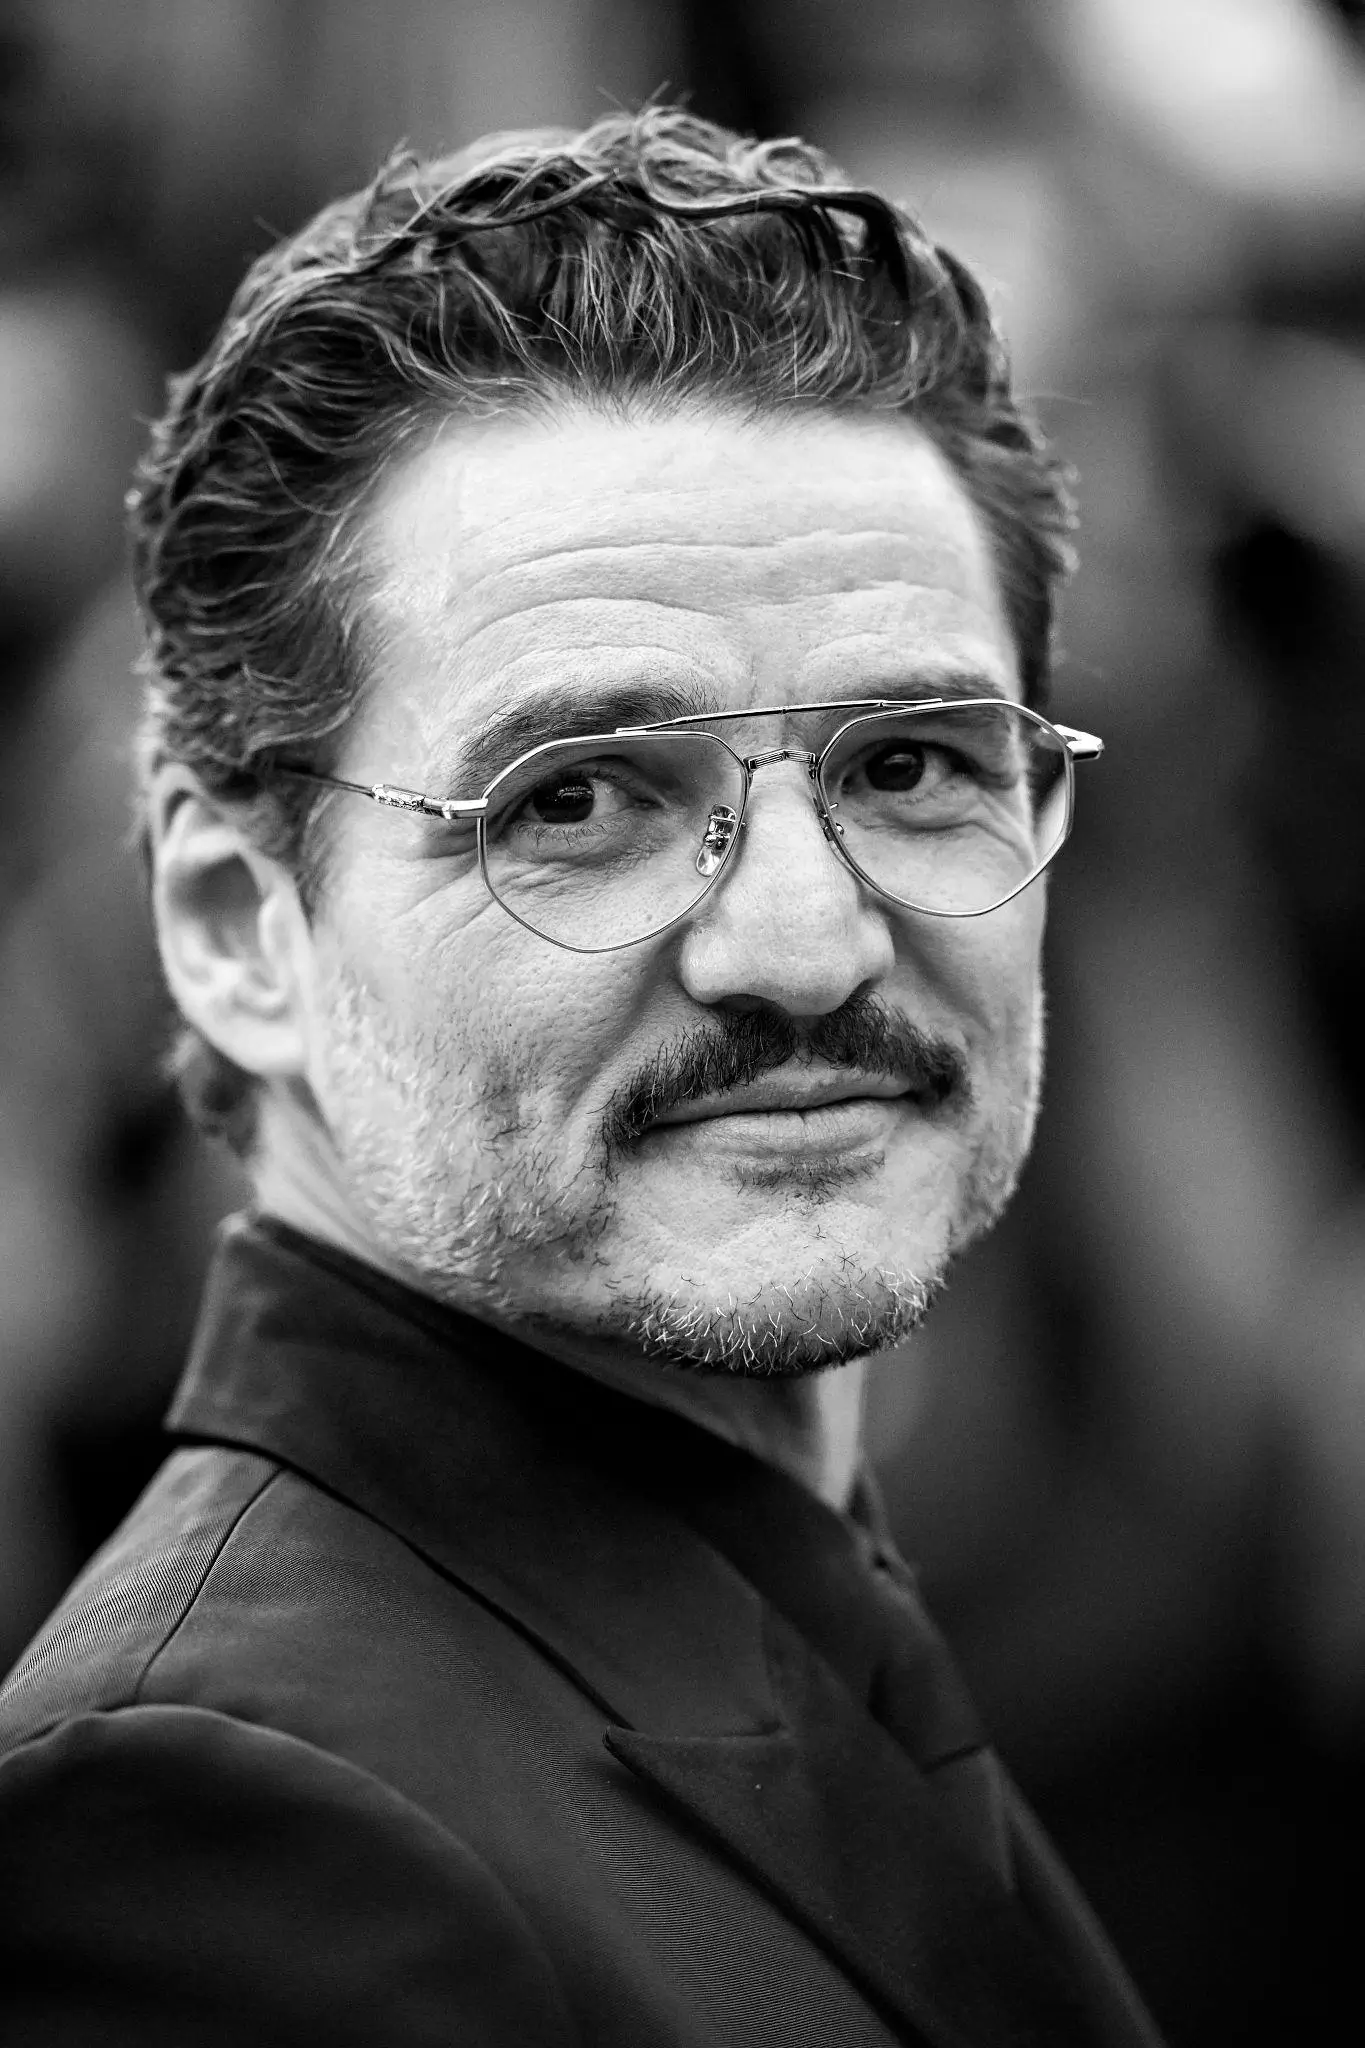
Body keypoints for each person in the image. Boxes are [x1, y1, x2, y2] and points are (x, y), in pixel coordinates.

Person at [0, 108, 1163, 2047]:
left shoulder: (759, 1607)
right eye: (581, 799)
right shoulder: (210, 1841)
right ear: (232, 922)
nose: (805, 942)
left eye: (910, 764)